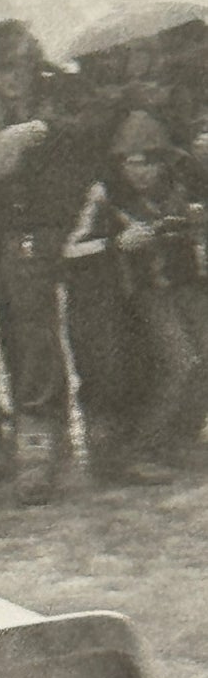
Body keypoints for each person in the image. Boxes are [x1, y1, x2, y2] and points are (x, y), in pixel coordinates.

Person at [0, 19, 114, 503]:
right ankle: (40, 448)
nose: (11, 79)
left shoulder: (65, 92)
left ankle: (104, 433)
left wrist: (44, 129)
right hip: (17, 233)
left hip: (80, 227)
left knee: (94, 332)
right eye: (1, 71)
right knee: (27, 336)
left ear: (33, 62)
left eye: (18, 67)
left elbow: (101, 123)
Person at [64, 110, 208, 483]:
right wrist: (117, 243)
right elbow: (72, 249)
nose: (140, 172)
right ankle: (141, 447)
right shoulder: (105, 195)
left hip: (186, 285)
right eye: (131, 163)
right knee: (181, 362)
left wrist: (194, 224)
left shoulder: (181, 184)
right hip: (142, 294)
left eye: (149, 162)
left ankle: (177, 437)